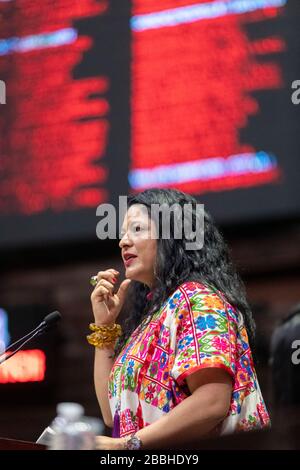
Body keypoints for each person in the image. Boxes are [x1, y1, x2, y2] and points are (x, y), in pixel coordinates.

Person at [89, 188, 270, 450]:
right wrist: (104, 329)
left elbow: (212, 403)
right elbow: (113, 415)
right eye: (122, 233)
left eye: (137, 229)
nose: (123, 242)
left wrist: (125, 445)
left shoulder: (199, 299)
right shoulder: (155, 315)